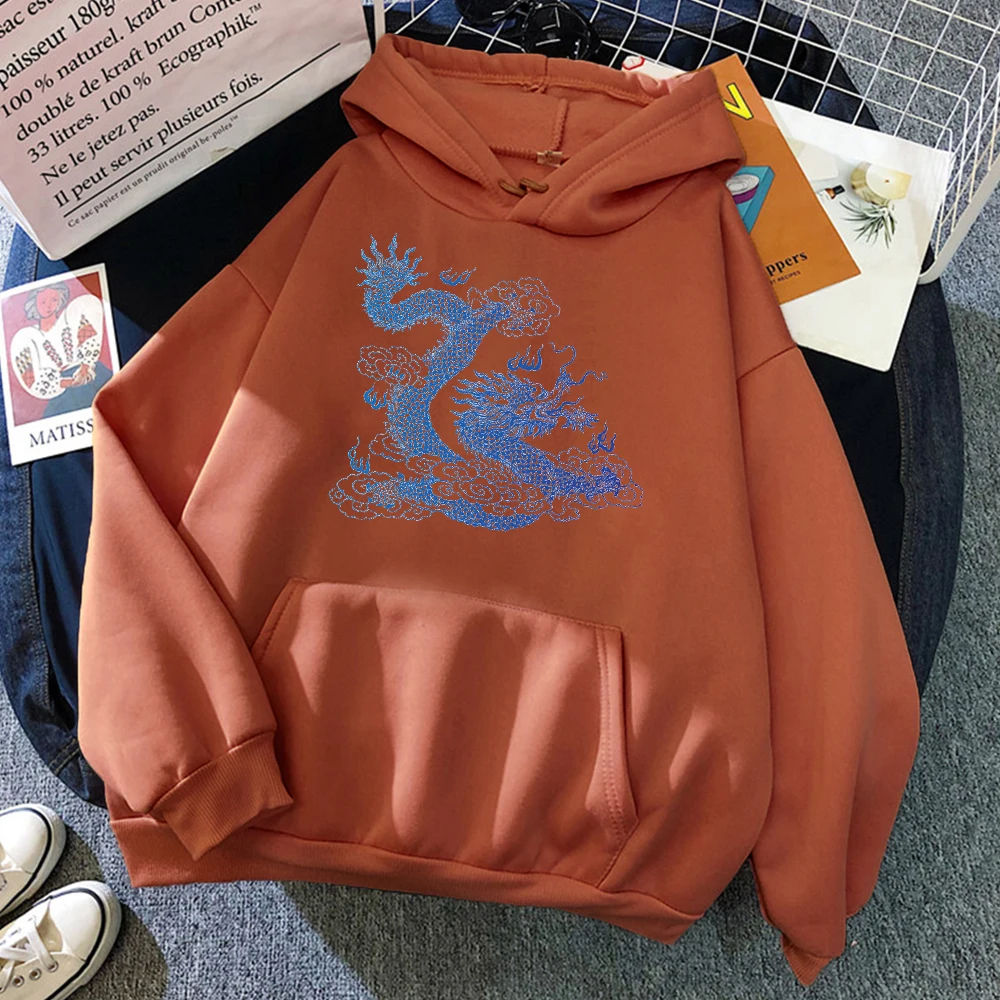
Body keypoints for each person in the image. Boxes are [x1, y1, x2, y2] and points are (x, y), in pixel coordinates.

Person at [9, 282, 111, 419]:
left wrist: (86, 366)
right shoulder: (27, 337)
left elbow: (89, 333)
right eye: (43, 302)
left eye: (54, 300)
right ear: (34, 304)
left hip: (90, 375)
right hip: (62, 390)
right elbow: (31, 379)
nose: (48, 306)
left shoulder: (71, 316)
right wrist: (67, 382)